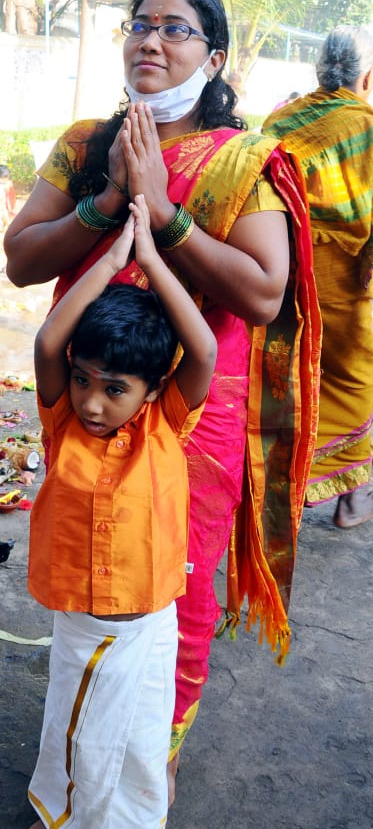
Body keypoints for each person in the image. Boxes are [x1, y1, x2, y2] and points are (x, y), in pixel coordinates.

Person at [5, 0, 319, 796]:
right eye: (139, 24)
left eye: (175, 30)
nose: (150, 40)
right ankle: (88, 729)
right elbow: (21, 257)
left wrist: (164, 212)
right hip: (83, 395)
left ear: (213, 57)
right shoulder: (82, 144)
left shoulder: (242, 160)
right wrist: (112, 198)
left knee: (173, 584)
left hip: (188, 413)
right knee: (86, 561)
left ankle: (155, 752)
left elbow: (261, 293)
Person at [24, 192, 215, 827]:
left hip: (152, 625)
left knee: (137, 746)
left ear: (153, 389)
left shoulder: (168, 422)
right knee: (82, 743)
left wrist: (154, 260)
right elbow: (52, 341)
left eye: (115, 389)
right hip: (86, 628)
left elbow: (205, 351)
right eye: (84, 380)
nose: (93, 403)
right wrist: (108, 265)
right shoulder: (61, 425)